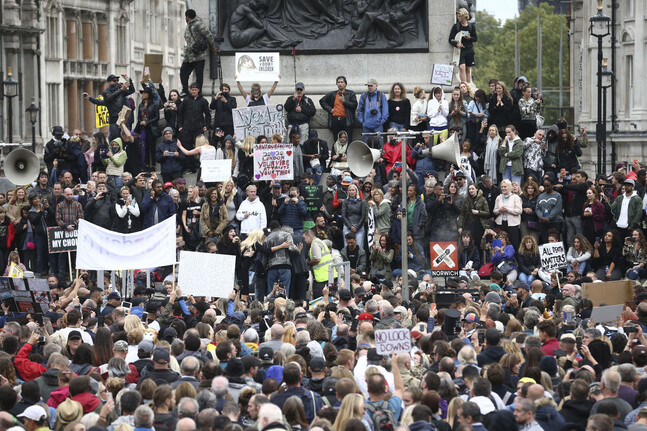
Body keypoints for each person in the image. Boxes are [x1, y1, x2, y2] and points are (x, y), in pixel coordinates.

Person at [180, 9, 218, 96]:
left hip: (199, 55)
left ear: (187, 17)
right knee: (183, 72)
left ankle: (198, 93)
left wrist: (213, 47)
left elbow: (209, 35)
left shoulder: (198, 24)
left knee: (199, 76)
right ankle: (185, 90)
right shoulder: (189, 25)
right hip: (189, 55)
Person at [177, 83, 210, 173]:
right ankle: (189, 166)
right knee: (187, 147)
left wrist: (206, 125)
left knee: (198, 146)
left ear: (198, 90)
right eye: (192, 90)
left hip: (198, 128)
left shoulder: (203, 101)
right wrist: (180, 126)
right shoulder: (186, 100)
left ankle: (197, 165)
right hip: (186, 128)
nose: (194, 91)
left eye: (195, 90)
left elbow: (207, 114)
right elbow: (180, 114)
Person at [320, 76, 357, 142]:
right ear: (336, 84)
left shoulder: (351, 94)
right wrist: (330, 109)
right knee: (337, 141)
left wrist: (344, 101)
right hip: (335, 121)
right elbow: (322, 101)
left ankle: (347, 152)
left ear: (345, 84)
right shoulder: (332, 94)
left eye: (342, 82)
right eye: (338, 82)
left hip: (347, 121)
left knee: (348, 140)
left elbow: (354, 105)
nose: (340, 84)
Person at [448, 8, 477, 83]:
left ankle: (468, 87)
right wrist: (457, 44)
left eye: (459, 16)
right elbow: (450, 39)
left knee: (468, 69)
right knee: (461, 67)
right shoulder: (456, 26)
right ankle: (463, 85)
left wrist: (469, 38)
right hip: (460, 51)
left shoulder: (471, 26)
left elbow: (475, 38)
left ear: (464, 16)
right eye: (457, 16)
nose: (458, 18)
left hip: (469, 50)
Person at [493, 179, 522, 250]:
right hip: (500, 223)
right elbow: (495, 211)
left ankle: (515, 260)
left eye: (505, 187)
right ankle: (499, 258)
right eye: (502, 187)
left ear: (509, 187)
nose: (503, 188)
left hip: (512, 224)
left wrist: (508, 210)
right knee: (499, 243)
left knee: (513, 243)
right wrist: (500, 210)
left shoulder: (516, 197)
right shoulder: (498, 197)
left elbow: (519, 211)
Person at [535, 178, 563, 243]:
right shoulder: (540, 196)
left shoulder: (557, 195)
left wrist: (548, 218)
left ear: (552, 185)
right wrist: (541, 217)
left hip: (555, 222)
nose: (546, 187)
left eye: (548, 186)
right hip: (543, 223)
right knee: (545, 241)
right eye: (545, 186)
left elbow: (557, 208)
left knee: (554, 241)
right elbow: (537, 208)